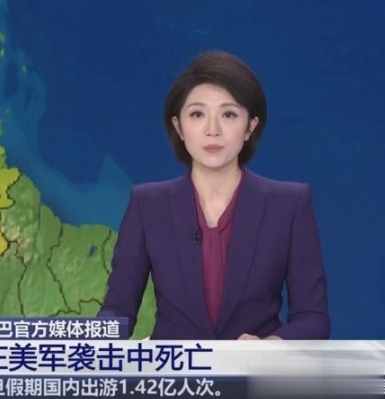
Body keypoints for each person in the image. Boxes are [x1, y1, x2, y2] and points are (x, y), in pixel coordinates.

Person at [98, 51, 329, 340]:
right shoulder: (147, 205)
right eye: (197, 114)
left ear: (250, 126)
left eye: (228, 114)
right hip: (175, 368)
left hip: (255, 368)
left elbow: (313, 318)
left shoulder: (289, 205)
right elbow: (117, 312)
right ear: (179, 127)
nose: (212, 130)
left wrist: (272, 346)